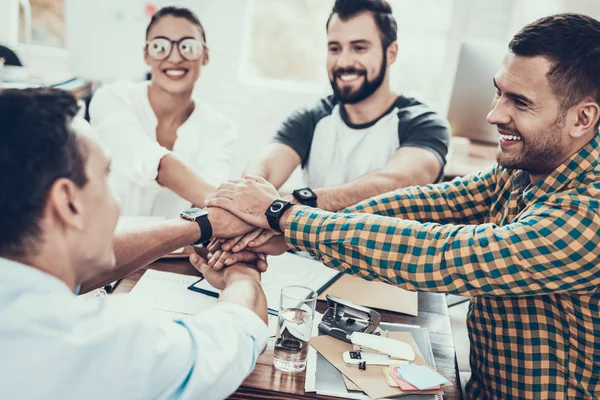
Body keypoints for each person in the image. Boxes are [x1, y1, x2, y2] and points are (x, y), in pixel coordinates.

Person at [205, 14, 600, 399]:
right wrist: (287, 231)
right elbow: (427, 205)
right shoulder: (529, 167)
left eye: (520, 102)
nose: (494, 114)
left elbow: (441, 253)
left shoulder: (589, 215)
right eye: (499, 91)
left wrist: (283, 216)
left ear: (583, 118)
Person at [0, 88, 268, 400]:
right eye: (106, 178)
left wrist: (204, 225)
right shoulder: (100, 345)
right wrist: (242, 272)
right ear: (68, 202)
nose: (116, 202)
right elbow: (236, 334)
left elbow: (74, 269)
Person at [245, 0, 450, 213]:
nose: (343, 62)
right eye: (335, 48)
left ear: (391, 53)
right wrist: (248, 194)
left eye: (359, 48)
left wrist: (296, 206)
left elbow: (398, 182)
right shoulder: (312, 117)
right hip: (305, 247)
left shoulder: (425, 124)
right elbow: (264, 170)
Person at [90, 6, 236, 219]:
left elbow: (212, 204)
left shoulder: (220, 129)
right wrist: (225, 205)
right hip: (105, 247)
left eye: (188, 46)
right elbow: (148, 161)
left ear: (205, 56)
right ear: (146, 55)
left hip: (180, 250)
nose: (175, 58)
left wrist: (219, 207)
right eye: (160, 46)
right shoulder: (112, 99)